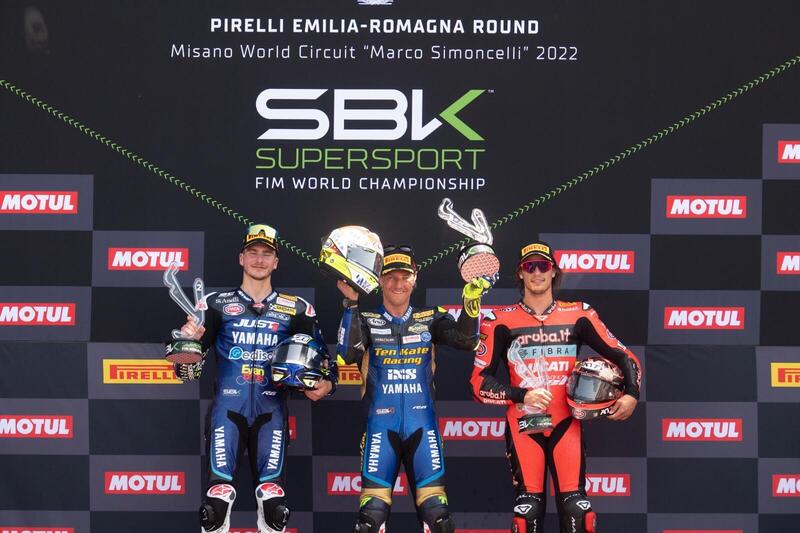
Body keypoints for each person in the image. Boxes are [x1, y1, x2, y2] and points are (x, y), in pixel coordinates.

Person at [169, 224, 336, 533]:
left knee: (275, 508)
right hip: (227, 412)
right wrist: (188, 344)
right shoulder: (214, 304)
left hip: (271, 413)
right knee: (214, 507)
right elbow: (186, 374)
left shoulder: (298, 309)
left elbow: (325, 366)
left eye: (266, 254)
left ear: (276, 262)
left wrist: (325, 385)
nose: (259, 260)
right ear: (241, 258)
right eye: (253, 252)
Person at [470, 241, 641, 533]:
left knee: (578, 510)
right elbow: (478, 383)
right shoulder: (498, 320)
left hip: (567, 423)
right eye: (529, 266)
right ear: (520, 273)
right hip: (524, 425)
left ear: (553, 272)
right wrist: (522, 395)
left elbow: (624, 356)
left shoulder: (579, 314)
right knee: (527, 515)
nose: (536, 272)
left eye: (543, 266)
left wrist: (632, 395)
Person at [336, 244, 494, 533]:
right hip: (380, 430)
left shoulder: (432, 317)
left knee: (439, 519)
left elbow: (466, 340)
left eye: (404, 276)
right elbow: (347, 355)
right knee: (370, 518)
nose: (398, 283)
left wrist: (472, 301)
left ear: (415, 278)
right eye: (391, 277)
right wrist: (351, 303)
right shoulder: (366, 320)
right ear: (380, 279)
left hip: (423, 429)